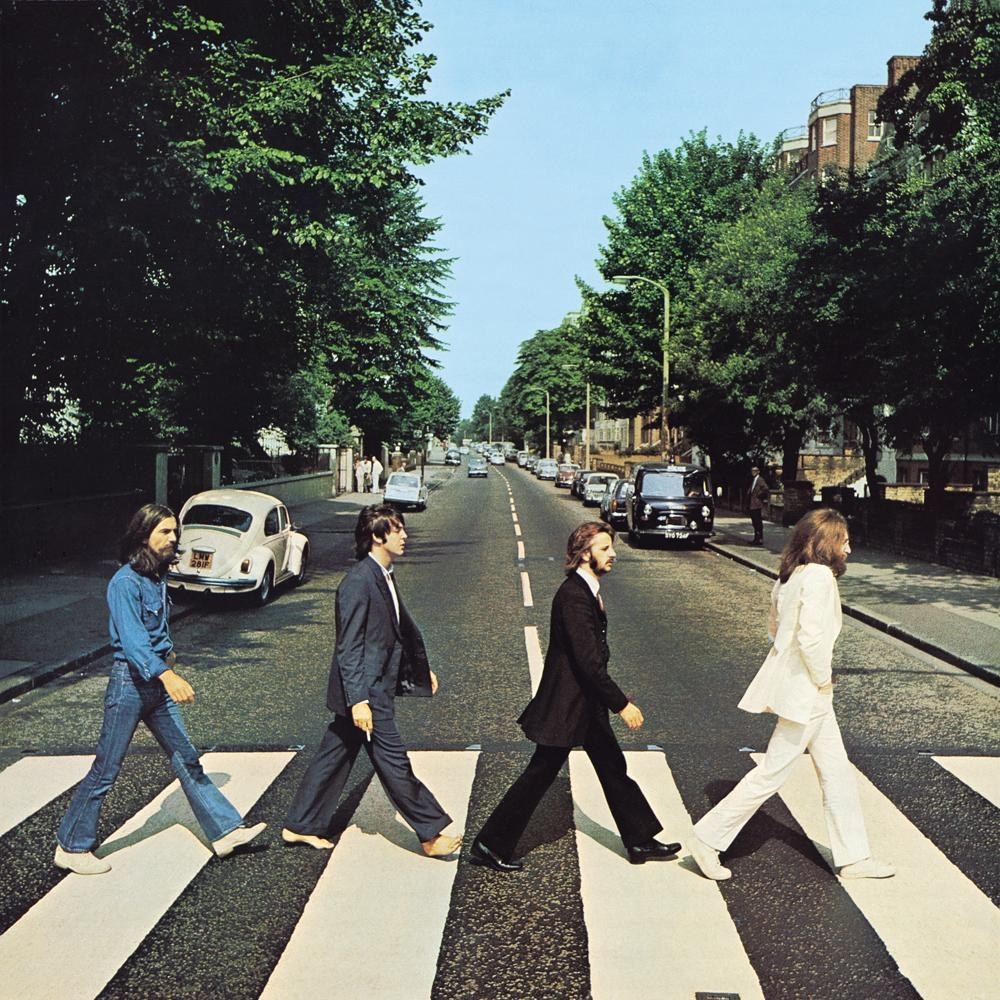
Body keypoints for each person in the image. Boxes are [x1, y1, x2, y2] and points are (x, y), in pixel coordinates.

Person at [54, 504, 266, 875]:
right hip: (130, 685)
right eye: (164, 532)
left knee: (187, 757)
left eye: (174, 532)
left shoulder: (156, 577)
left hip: (154, 684)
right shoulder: (124, 582)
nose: (173, 538)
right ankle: (71, 845)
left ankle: (226, 831)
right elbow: (134, 643)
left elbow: (154, 634)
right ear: (142, 536)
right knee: (107, 768)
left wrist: (169, 654)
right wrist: (166, 675)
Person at [688, 508, 894, 882]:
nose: (849, 548)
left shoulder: (789, 576)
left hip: (806, 692)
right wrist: (822, 677)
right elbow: (811, 639)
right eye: (844, 540)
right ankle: (707, 837)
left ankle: (853, 857)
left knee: (837, 774)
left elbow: (774, 630)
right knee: (771, 773)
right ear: (827, 543)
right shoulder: (818, 577)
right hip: (809, 693)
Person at [470, 522, 681, 872]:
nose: (612, 554)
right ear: (585, 554)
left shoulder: (586, 591)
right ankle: (491, 844)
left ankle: (640, 839)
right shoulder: (573, 596)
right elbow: (588, 664)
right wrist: (622, 704)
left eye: (610, 547)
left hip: (585, 705)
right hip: (568, 706)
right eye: (603, 548)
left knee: (614, 767)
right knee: (540, 773)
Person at [282, 505, 461, 858]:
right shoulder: (359, 582)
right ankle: (430, 832)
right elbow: (348, 647)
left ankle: (300, 825)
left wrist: (420, 672)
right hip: (367, 690)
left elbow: (392, 634)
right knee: (394, 763)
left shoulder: (383, 574)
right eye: (397, 530)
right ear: (378, 536)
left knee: (333, 755)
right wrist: (358, 700)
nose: (405, 536)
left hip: (372, 683)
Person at [749, 465, 769, 545]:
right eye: (752, 471)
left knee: (758, 522)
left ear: (758, 472)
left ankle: (759, 539)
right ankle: (756, 538)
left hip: (757, 504)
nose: (753, 472)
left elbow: (766, 489)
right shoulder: (754, 480)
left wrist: (758, 496)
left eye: (754, 471)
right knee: (754, 522)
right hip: (753, 504)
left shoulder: (760, 480)